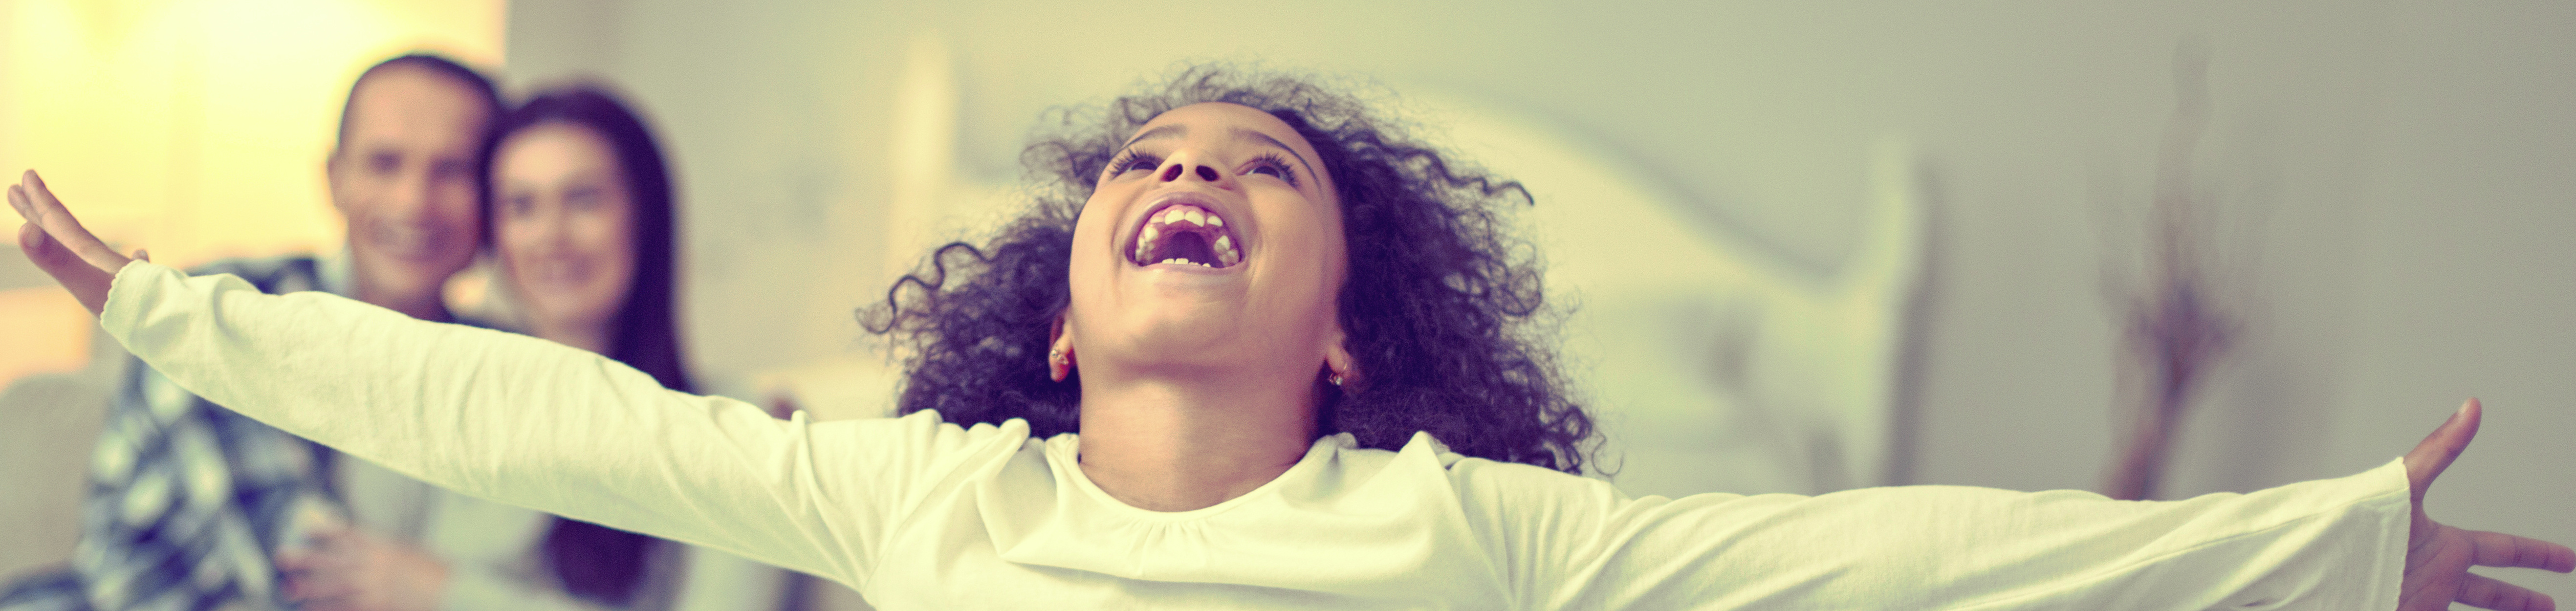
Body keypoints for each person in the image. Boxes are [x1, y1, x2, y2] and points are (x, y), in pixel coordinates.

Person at [11, 66, 2572, 610]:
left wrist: (2334, 553)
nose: (1188, 178)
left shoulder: (1470, 534)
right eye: (1143, 162)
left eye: (1265, 171)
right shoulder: (926, 501)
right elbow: (517, 397)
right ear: (1063, 306)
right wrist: (194, 314)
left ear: (1349, 334)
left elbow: (1893, 558)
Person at [0, 53, 501, 611]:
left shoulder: (492, 358)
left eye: (452, 170)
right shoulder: (225, 307)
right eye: (384, 163)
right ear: (334, 179)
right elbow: (307, 577)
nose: (414, 201)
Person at [277, 85, 694, 611]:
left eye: (583, 199)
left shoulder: (729, 421)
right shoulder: (445, 384)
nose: (550, 235)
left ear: (645, 215)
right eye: (521, 205)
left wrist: (438, 591)